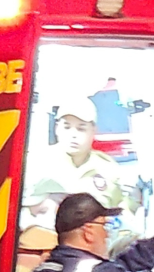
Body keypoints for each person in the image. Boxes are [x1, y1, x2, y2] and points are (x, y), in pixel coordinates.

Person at [25, 96, 138, 245]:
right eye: (67, 127)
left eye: (81, 128)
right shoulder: (36, 163)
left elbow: (122, 214)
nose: (73, 135)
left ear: (93, 130)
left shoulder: (108, 168)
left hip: (93, 249)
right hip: (43, 247)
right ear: (57, 128)